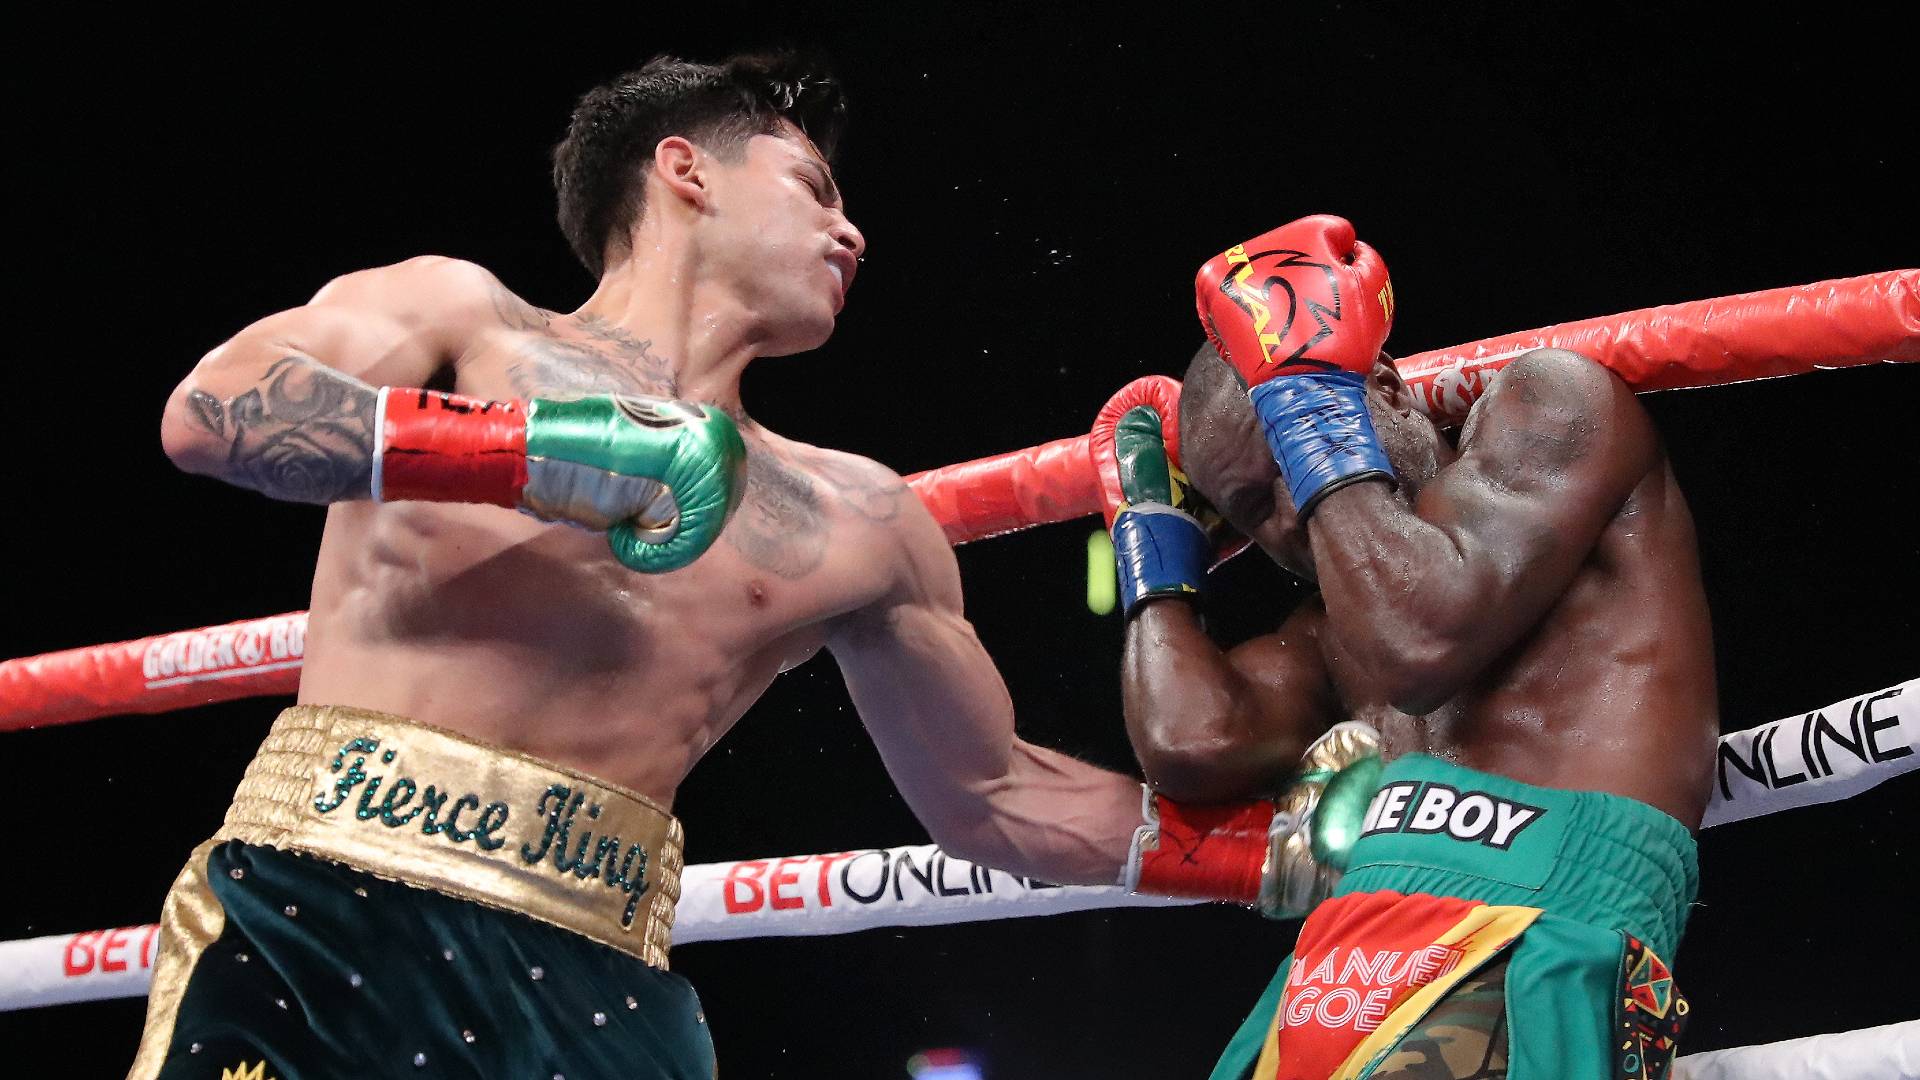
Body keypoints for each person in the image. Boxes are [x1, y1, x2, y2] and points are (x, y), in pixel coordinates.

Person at [135, 53, 1162, 1080]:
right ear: (686, 170)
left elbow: (995, 793)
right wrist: (527, 452)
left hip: (602, 987)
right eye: (814, 188)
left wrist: (1249, 846)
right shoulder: (464, 317)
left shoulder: (861, 515)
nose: (852, 232)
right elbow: (213, 413)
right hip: (329, 910)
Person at [1106, 215, 1718, 1079]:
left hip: (1535, 922)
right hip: (1335, 967)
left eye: (1288, 457)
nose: (1292, 509)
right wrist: (1153, 548)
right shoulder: (1334, 625)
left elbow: (1423, 644)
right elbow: (1190, 742)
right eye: (1251, 509)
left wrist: (1306, 406)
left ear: (1388, 389)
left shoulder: (1552, 404)